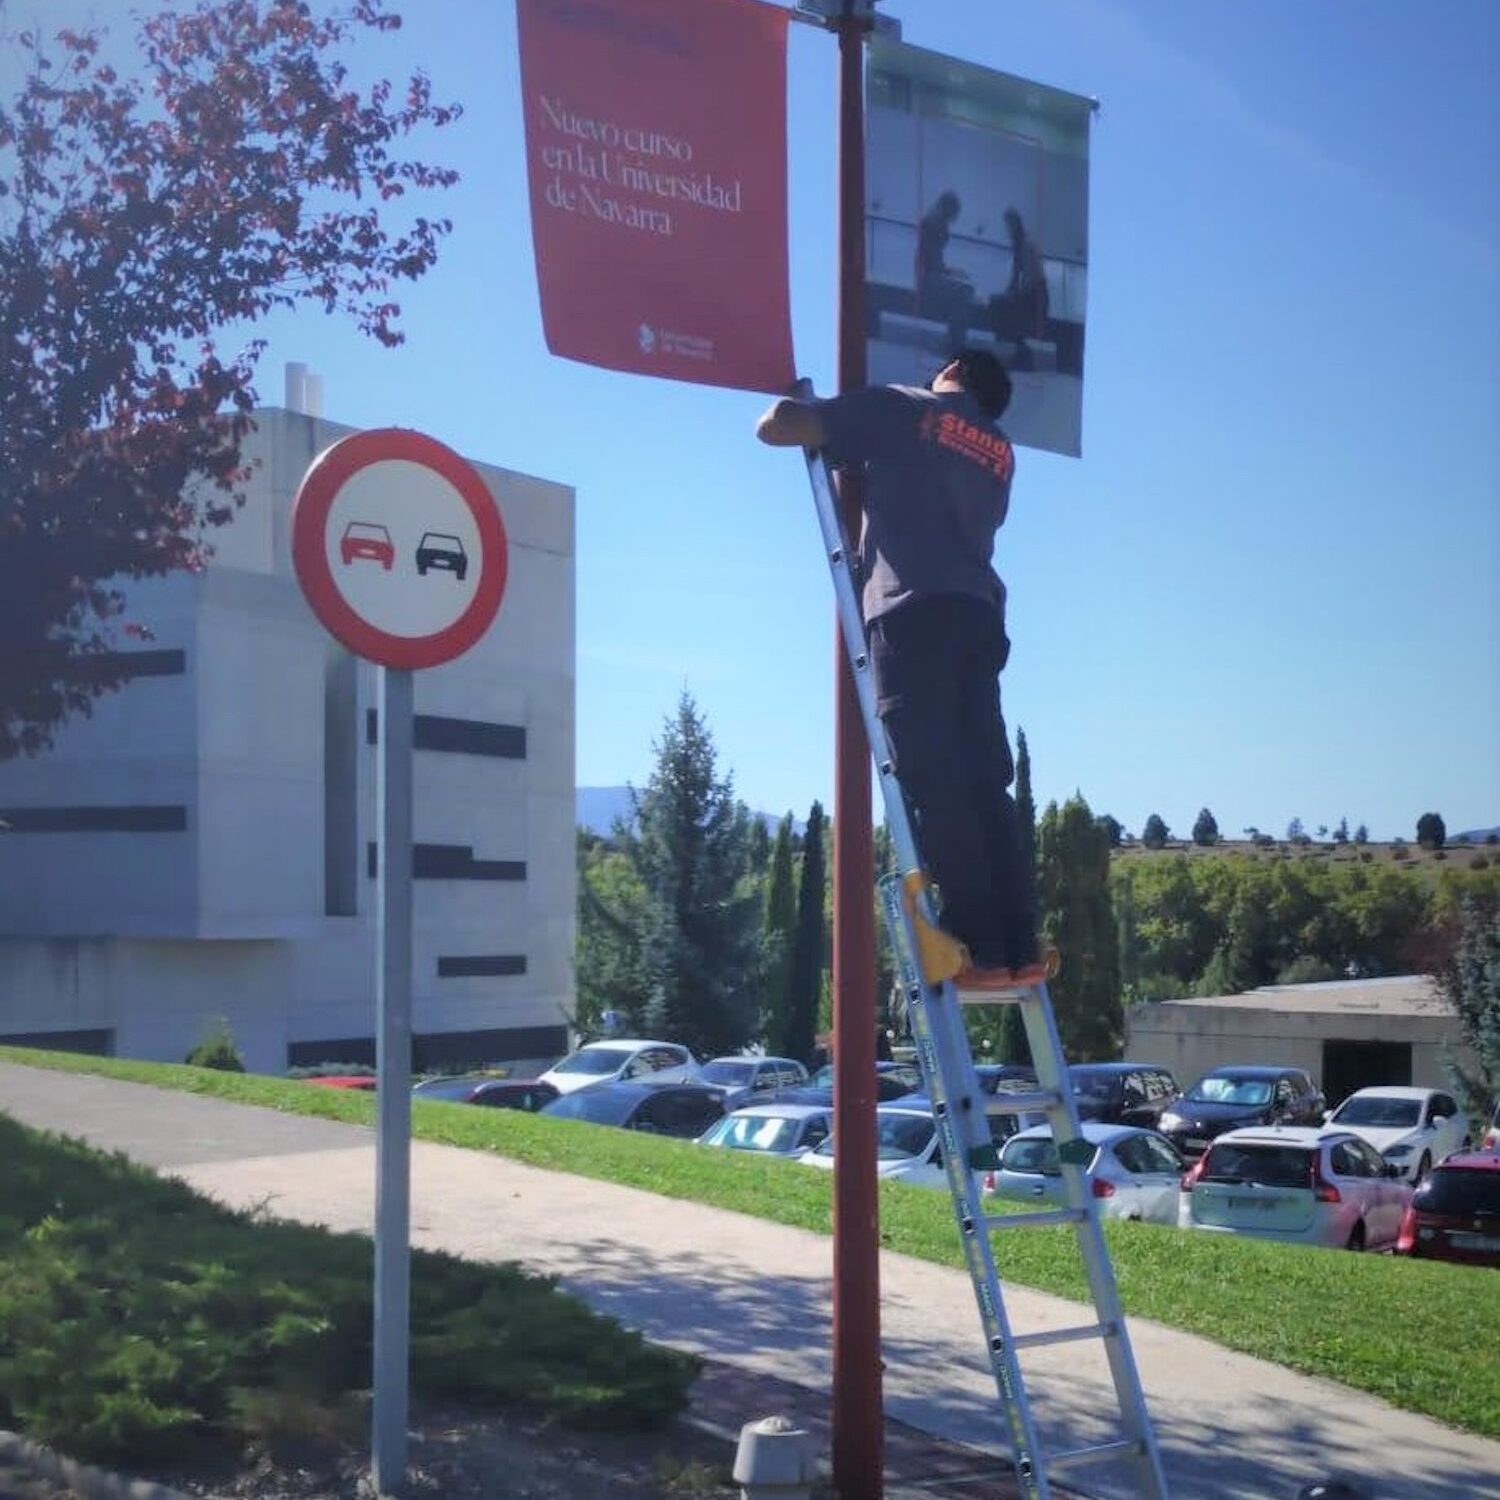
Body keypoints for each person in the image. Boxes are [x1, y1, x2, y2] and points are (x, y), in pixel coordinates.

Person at [755, 350, 1040, 985]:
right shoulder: (999, 451)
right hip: (977, 613)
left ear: (952, 368)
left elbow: (781, 426)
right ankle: (1017, 944)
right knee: (984, 780)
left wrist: (806, 411)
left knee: (933, 776)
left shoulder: (907, 407)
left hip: (912, 611)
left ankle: (975, 945)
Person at [914, 190, 974, 351]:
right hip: (927, 278)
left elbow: (932, 259)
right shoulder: (934, 224)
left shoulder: (936, 222)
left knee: (964, 286)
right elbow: (929, 259)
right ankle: (955, 341)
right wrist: (947, 272)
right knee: (964, 291)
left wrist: (949, 271)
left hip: (929, 274)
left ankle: (954, 338)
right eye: (955, 211)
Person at [988, 207, 1049, 357]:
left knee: (1002, 310)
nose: (1008, 230)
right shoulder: (1019, 245)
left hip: (1036, 297)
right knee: (998, 305)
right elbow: (1015, 279)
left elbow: (1031, 279)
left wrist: (1012, 295)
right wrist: (1009, 293)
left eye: (1010, 225)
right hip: (1031, 294)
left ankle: (1017, 352)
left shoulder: (1026, 245)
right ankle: (1013, 350)